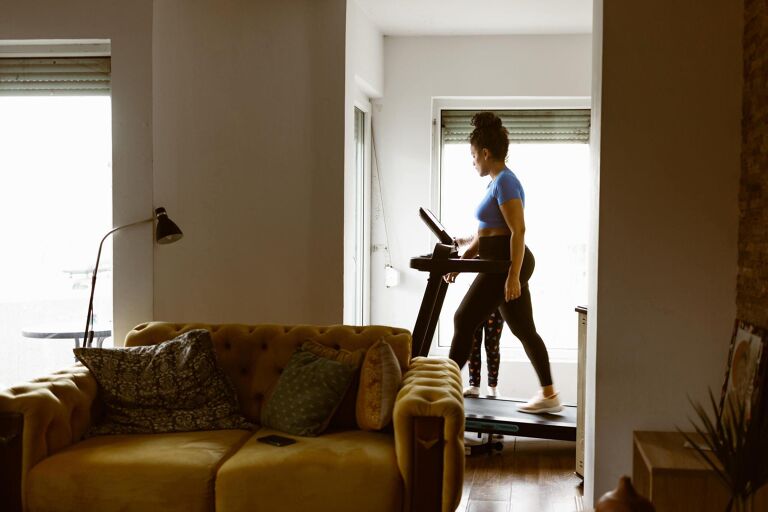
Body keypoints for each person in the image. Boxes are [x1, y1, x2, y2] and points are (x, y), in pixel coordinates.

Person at [443, 111, 561, 414]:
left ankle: (443, 388)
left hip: (506, 266)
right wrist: (460, 262)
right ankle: (549, 394)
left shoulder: (506, 182)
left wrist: (513, 276)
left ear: (485, 153)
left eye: (473, 156)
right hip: (498, 264)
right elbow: (484, 237)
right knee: (524, 329)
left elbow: (518, 230)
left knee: (463, 319)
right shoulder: (495, 184)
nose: (472, 162)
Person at [454, 234, 503, 398]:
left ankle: (493, 387)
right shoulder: (482, 233)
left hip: (494, 298)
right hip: (475, 298)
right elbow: (471, 240)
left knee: (492, 344)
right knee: (473, 342)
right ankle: (474, 385)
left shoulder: (497, 241)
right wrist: (456, 242)